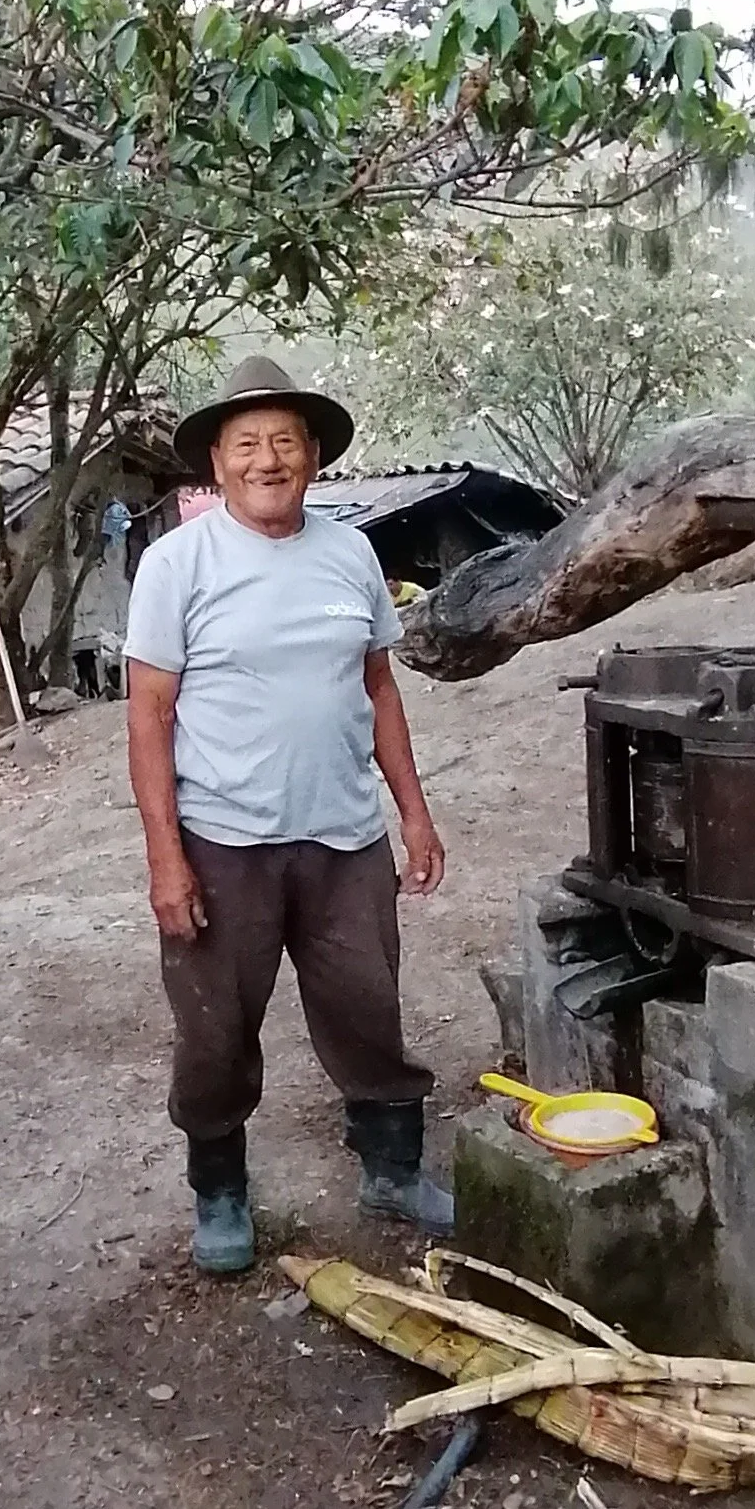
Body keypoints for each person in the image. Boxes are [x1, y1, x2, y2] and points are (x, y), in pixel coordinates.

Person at [125, 354, 452, 1276]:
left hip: (345, 835)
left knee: (368, 1006)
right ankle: (222, 1195)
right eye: (246, 445)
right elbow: (148, 716)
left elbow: (378, 688)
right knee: (216, 1026)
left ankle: (391, 1169)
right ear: (218, 464)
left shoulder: (350, 552)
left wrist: (413, 814)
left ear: (312, 454)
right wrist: (165, 861)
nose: (267, 460)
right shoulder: (176, 564)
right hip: (223, 840)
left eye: (284, 442)